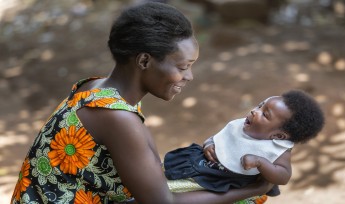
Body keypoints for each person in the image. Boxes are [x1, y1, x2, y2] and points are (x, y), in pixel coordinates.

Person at [11, 2, 273, 204]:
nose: (189, 76)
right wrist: (254, 188)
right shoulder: (116, 117)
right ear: (145, 61)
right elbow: (160, 201)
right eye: (183, 67)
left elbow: (150, 169)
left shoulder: (95, 87)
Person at [164, 90, 325, 198]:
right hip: (202, 163)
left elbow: (283, 176)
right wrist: (208, 144)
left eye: (265, 114)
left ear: (277, 135)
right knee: (164, 172)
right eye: (260, 105)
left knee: (173, 191)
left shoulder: (279, 150)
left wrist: (261, 163)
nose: (255, 111)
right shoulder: (244, 126)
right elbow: (220, 137)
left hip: (221, 182)